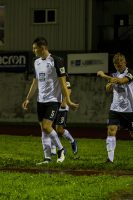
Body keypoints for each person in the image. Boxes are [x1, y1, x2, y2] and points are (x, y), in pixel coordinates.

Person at [22, 37, 79, 165]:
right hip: (40, 101)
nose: (33, 51)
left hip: (53, 100)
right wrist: (28, 98)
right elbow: (35, 82)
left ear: (42, 48)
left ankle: (61, 149)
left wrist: (68, 101)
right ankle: (47, 158)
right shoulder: (36, 62)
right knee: (43, 129)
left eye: (35, 48)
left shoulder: (56, 61)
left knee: (47, 127)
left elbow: (64, 84)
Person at [97, 52, 133, 162]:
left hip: (129, 109)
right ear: (114, 65)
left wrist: (103, 75)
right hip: (115, 108)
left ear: (125, 62)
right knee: (111, 130)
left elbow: (121, 81)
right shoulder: (114, 75)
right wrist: (109, 84)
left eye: (120, 63)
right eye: (116, 64)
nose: (119, 65)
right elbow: (108, 89)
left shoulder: (131, 73)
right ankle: (110, 159)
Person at [51, 75, 78, 156]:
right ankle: (53, 151)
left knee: (59, 130)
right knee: (49, 127)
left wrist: (65, 101)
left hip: (62, 105)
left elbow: (69, 90)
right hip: (52, 103)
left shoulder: (63, 74)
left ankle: (72, 141)